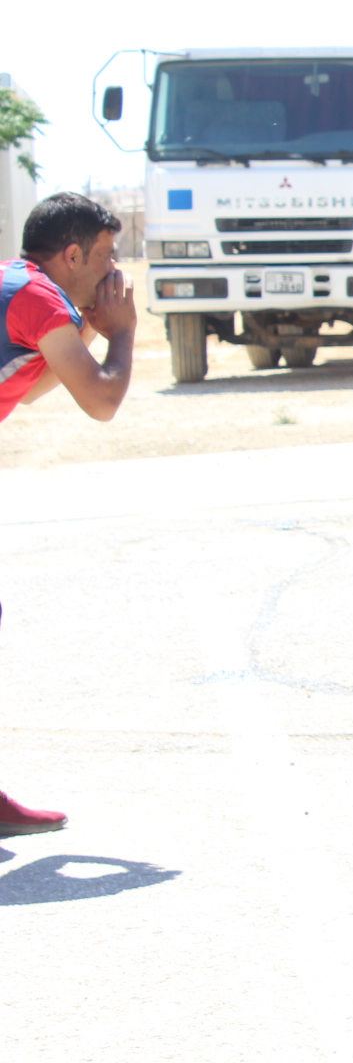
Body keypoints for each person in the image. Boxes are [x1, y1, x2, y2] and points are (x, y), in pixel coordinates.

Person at [1, 192, 138, 836]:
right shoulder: (39, 299)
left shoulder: (18, 283)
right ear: (74, 254)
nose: (115, 270)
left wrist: (87, 321)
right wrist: (123, 332)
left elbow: (32, 388)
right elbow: (102, 400)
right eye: (107, 256)